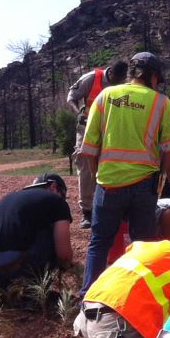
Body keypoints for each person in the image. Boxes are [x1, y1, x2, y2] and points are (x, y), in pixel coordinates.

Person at [79, 52, 170, 295]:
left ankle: (88, 299)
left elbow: (89, 148)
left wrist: (96, 176)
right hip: (144, 185)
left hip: (108, 183)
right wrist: (161, 175)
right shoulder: (161, 102)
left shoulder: (105, 96)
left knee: (99, 243)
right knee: (141, 247)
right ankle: (136, 298)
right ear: (153, 76)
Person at [0, 173, 73, 287]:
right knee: (50, 234)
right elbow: (63, 254)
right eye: (63, 195)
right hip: (12, 268)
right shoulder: (56, 201)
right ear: (53, 187)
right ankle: (31, 288)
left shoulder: (9, 197)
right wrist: (66, 265)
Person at [67, 60, 128, 228]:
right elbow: (71, 97)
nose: (119, 84)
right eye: (117, 80)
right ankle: (87, 212)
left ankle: (110, 207)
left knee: (112, 166)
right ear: (111, 74)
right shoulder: (91, 78)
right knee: (86, 166)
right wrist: (78, 112)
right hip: (86, 128)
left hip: (108, 130)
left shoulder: (124, 86)